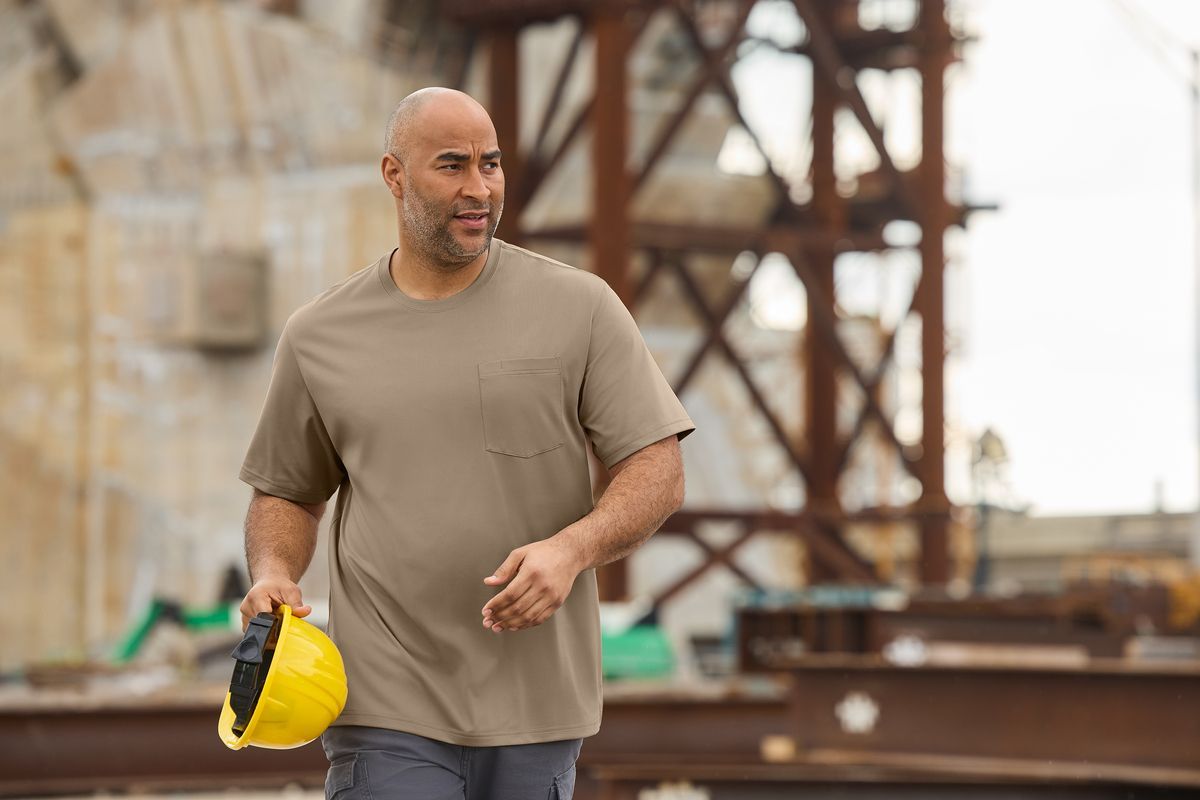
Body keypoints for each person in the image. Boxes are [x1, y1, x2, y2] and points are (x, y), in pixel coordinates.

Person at [237, 87, 695, 800]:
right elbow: (288, 491)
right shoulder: (319, 335)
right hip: (384, 704)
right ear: (394, 175)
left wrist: (572, 549)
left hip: (537, 706)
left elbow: (658, 468)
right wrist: (272, 568)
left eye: (491, 164)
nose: (478, 188)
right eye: (451, 165)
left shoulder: (580, 308)